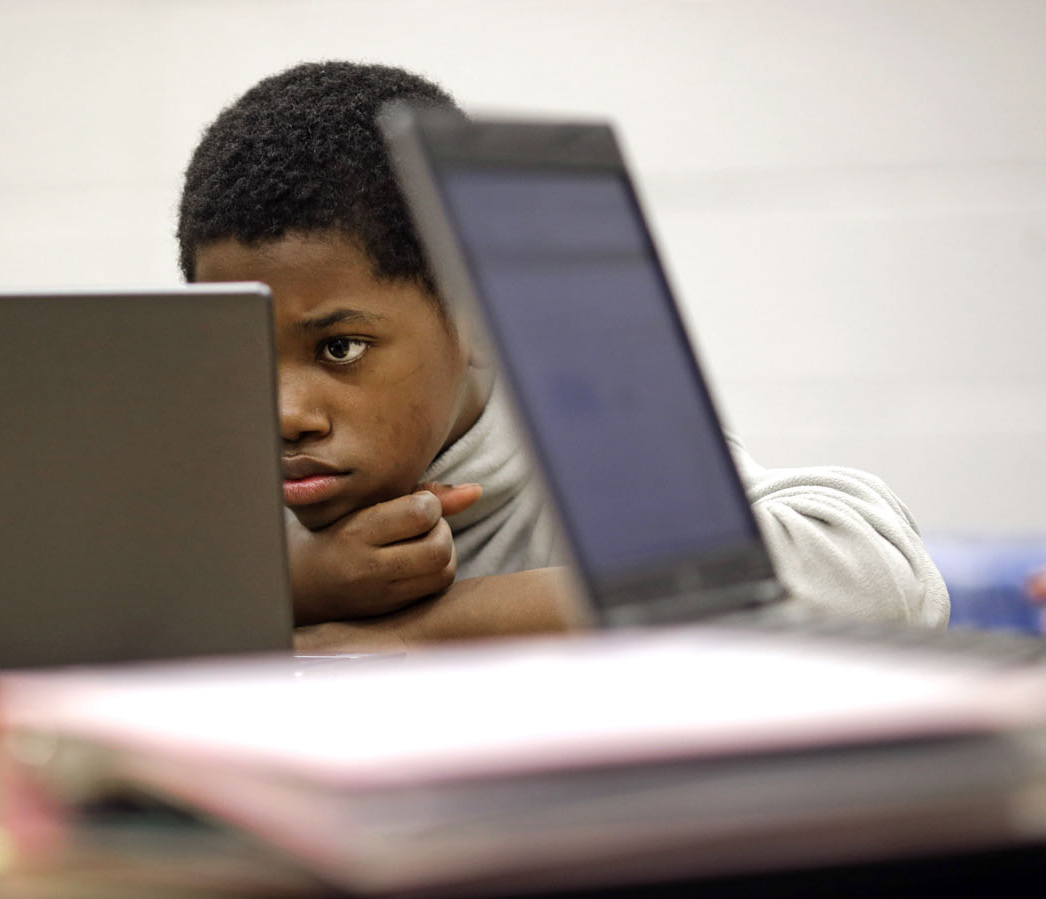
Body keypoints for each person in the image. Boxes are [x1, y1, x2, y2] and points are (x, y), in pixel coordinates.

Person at [176, 61, 950, 652]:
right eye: (241, 348)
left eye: (340, 348)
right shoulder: (208, 508)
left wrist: (432, 627)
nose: (285, 413)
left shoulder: (584, 462)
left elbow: (888, 580)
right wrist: (295, 589)